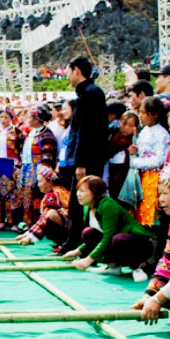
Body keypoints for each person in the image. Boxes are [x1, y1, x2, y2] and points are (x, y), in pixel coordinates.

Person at [61, 56, 109, 253]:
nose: (66, 75)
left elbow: (87, 132)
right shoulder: (88, 93)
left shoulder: (91, 94)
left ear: (77, 70)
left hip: (87, 160)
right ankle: (73, 243)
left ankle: (81, 245)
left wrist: (81, 163)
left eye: (68, 71)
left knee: (84, 202)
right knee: (77, 202)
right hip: (84, 159)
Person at [132, 165, 170, 322]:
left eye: (165, 193)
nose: (160, 199)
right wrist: (149, 295)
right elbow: (168, 263)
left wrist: (158, 299)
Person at [67, 176, 155, 281]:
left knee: (119, 239)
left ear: (95, 192)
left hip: (140, 245)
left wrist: (88, 260)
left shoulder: (108, 206)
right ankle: (113, 266)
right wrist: (77, 251)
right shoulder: (87, 207)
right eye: (78, 190)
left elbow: (108, 237)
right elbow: (99, 235)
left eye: (82, 191)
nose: (78, 194)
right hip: (115, 240)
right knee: (88, 233)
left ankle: (137, 267)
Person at [129, 96, 170, 227]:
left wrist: (136, 162)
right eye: (139, 112)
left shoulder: (161, 133)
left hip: (153, 176)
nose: (140, 116)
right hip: (142, 175)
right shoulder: (144, 131)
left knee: (150, 213)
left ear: (155, 114)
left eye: (143, 112)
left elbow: (159, 159)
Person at [17, 106, 58, 229]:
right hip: (27, 168)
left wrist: (42, 172)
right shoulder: (31, 133)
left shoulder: (46, 135)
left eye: (30, 117)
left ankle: (39, 223)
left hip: (39, 169)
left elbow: (48, 155)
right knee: (27, 195)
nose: (27, 119)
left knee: (38, 195)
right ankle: (28, 222)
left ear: (37, 119)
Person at [0, 106, 24, 231]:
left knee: (12, 193)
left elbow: (21, 150)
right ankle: (0, 220)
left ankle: (13, 222)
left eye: (6, 117)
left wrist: (18, 166)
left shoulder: (17, 132)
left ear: (11, 118)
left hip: (10, 163)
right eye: (1, 117)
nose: (3, 120)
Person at [16, 166, 70, 247]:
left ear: (50, 182)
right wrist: (28, 234)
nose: (38, 185)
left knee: (50, 214)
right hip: (70, 228)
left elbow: (44, 219)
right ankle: (63, 243)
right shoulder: (59, 190)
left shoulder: (51, 195)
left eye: (40, 181)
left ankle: (64, 243)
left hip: (70, 229)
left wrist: (30, 237)